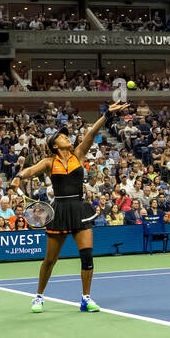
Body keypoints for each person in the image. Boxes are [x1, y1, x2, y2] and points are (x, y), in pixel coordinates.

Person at [12, 102, 128, 313]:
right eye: (62, 137)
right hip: (59, 210)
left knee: (87, 255)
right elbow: (31, 169)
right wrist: (19, 177)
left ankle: (86, 298)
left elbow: (92, 132)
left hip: (79, 208)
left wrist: (106, 115)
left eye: (66, 136)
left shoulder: (78, 155)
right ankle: (38, 296)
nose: (67, 137)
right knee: (50, 260)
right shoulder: (49, 162)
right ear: (55, 145)